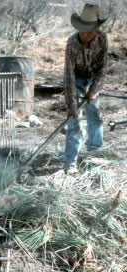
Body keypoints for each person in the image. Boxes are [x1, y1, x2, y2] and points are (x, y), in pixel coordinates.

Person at [63, 3, 108, 173]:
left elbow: (103, 69)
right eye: (82, 30)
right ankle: (69, 162)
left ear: (96, 30)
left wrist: (94, 90)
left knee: (94, 114)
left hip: (93, 78)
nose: (85, 35)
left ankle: (95, 153)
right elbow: (68, 75)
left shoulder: (102, 39)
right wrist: (72, 103)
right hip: (76, 78)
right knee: (74, 119)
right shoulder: (72, 43)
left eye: (89, 31)